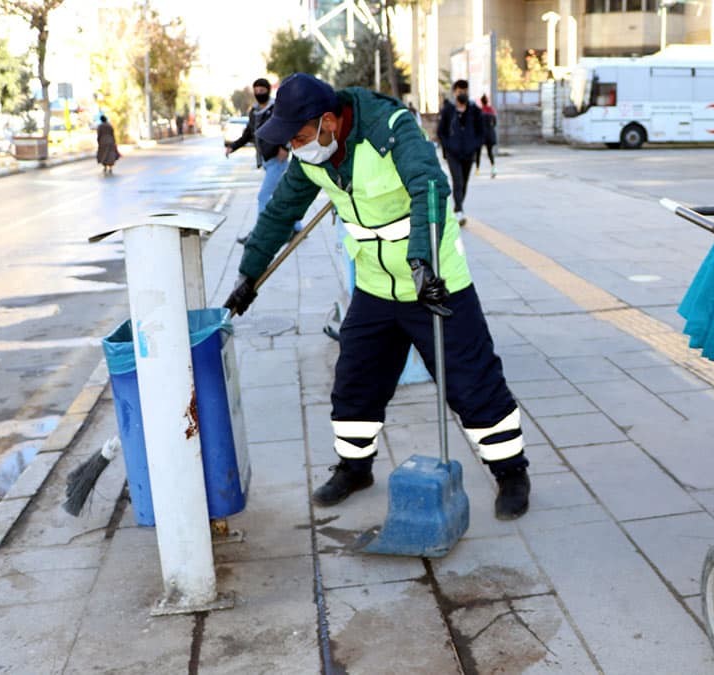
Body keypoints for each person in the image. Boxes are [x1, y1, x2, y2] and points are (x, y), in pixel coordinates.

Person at [222, 73, 532, 520]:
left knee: (472, 382)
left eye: (300, 136)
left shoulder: (390, 129)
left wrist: (423, 262)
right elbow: (280, 212)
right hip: (374, 286)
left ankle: (511, 473)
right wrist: (248, 274)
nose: (294, 146)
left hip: (433, 280)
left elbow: (429, 186)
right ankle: (355, 468)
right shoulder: (313, 157)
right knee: (356, 381)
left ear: (328, 121)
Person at [226, 78, 301, 244]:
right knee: (282, 195)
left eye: (262, 90)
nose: (259, 93)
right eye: (257, 91)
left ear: (268, 91)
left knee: (263, 196)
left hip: (277, 158)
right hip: (266, 160)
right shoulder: (254, 112)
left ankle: (259, 234)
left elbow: (288, 127)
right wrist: (233, 146)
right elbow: (248, 134)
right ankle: (297, 228)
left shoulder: (276, 108)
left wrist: (285, 147)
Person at [436, 80, 484, 225]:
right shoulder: (448, 111)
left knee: (464, 183)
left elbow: (481, 132)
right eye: (459, 91)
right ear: (454, 92)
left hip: (469, 153)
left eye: (465, 90)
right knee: (457, 181)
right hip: (453, 153)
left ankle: (458, 207)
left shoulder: (474, 110)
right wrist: (448, 145)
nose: (462, 93)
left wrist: (474, 145)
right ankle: (458, 210)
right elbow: (441, 131)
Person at [475, 94, 497, 179]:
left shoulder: (480, 111)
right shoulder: (491, 110)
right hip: (490, 134)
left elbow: (476, 124)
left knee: (478, 152)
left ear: (481, 102)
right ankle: (493, 168)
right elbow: (495, 123)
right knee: (490, 153)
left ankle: (477, 170)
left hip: (481, 135)